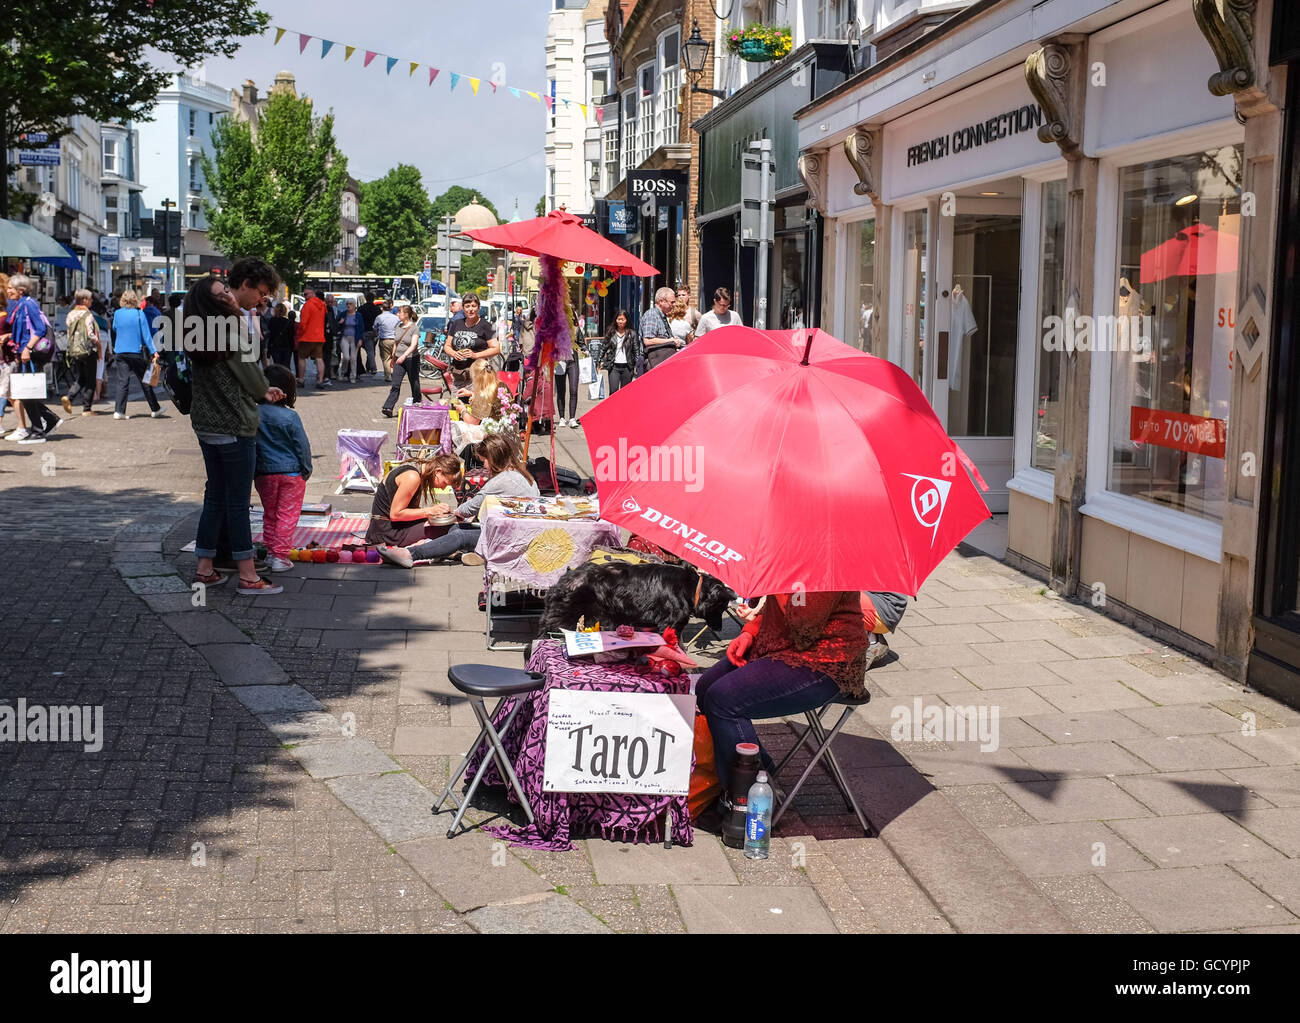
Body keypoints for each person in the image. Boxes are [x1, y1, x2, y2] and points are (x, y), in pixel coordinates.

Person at [697, 590, 868, 795]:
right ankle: (763, 775)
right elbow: (775, 612)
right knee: (705, 686)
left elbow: (804, 627)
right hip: (780, 647)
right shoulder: (793, 564)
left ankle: (746, 800)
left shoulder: (825, 566)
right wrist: (749, 633)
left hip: (826, 660)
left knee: (722, 699)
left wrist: (781, 589)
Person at [185, 275, 285, 596]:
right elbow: (254, 381)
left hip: (205, 425)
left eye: (226, 290)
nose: (228, 296)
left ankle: (204, 568)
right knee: (239, 503)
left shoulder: (196, 332)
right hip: (233, 425)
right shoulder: (230, 332)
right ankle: (248, 576)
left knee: (214, 495)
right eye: (221, 295)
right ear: (212, 305)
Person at [377, 433, 538, 568]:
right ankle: (455, 552)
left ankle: (410, 554)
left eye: (484, 461)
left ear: (493, 458)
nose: (485, 466)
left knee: (460, 535)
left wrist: (450, 513)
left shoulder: (502, 480)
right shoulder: (523, 474)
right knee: (456, 530)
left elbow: (468, 508)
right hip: (522, 531)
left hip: (515, 538)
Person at [253, 365, 314, 574]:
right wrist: (306, 469)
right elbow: (302, 446)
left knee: (270, 514)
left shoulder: (254, 413)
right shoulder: (290, 417)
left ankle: (270, 553)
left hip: (263, 473)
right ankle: (280, 556)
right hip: (291, 473)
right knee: (287, 515)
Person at [365, 451, 464, 549]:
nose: (443, 488)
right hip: (385, 532)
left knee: (449, 522)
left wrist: (436, 514)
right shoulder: (412, 477)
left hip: (391, 527)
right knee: (447, 528)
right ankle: (418, 548)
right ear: (438, 472)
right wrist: (430, 511)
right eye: (445, 483)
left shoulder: (418, 470)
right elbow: (395, 514)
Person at [6, 274, 59, 442]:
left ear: (20, 290)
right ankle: (48, 420)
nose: (7, 291)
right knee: (24, 391)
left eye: (10, 288)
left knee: (27, 391)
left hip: (29, 353)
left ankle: (38, 429)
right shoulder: (21, 304)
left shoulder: (29, 304)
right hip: (22, 352)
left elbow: (40, 329)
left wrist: (27, 349)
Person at [110, 289, 163, 420]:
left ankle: (119, 411)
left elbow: (115, 328)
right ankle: (155, 408)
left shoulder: (117, 313)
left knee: (123, 381)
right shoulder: (139, 314)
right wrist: (153, 351)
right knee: (145, 380)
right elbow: (146, 335)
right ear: (135, 300)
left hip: (120, 351)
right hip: (135, 351)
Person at [442, 295, 499, 388]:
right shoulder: (457, 323)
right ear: (463, 308)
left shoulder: (486, 325)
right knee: (456, 401)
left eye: (473, 306)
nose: (470, 309)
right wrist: (454, 353)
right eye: (467, 306)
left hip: (477, 375)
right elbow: (447, 346)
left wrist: (475, 355)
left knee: (474, 402)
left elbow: (496, 349)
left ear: (478, 307)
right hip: (458, 374)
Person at [62, 289, 101, 417]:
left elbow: (69, 331)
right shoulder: (88, 315)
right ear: (84, 300)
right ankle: (87, 408)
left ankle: (69, 396)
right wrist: (98, 344)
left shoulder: (70, 314)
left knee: (80, 377)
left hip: (75, 350)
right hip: (88, 351)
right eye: (90, 299)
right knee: (90, 380)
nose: (91, 301)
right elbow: (91, 334)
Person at [380, 303, 423, 416]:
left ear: (407, 314)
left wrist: (404, 355)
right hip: (399, 359)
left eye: (400, 312)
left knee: (414, 383)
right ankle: (388, 407)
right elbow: (396, 343)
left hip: (411, 359)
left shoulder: (414, 328)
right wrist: (393, 356)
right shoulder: (398, 326)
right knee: (395, 384)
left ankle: (417, 403)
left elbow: (413, 345)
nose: (397, 314)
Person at [295, 287, 329, 389]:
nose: (305, 297)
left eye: (306, 294)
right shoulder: (322, 305)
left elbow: (303, 323)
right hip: (319, 337)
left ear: (312, 293)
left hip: (307, 336)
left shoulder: (307, 305)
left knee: (301, 358)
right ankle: (320, 380)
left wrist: (299, 334)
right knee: (319, 358)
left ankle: (301, 379)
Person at [600, 309, 641, 393]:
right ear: (616, 320)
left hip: (627, 367)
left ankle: (624, 407)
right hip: (613, 366)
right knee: (613, 390)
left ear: (626, 320)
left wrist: (637, 365)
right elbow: (603, 347)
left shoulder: (632, 334)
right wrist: (598, 361)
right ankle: (612, 407)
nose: (620, 321)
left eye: (622, 319)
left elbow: (636, 350)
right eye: (619, 319)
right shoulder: (611, 332)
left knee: (625, 392)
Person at [639, 286, 676, 371]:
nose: (674, 305)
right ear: (661, 301)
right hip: (652, 363)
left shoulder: (661, 316)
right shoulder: (652, 315)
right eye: (672, 302)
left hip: (658, 362)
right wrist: (670, 340)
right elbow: (648, 340)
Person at [335, 299, 363, 382]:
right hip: (345, 337)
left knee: (353, 358)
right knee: (346, 357)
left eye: (350, 304)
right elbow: (336, 325)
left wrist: (360, 339)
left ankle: (353, 376)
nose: (348, 305)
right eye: (347, 304)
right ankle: (343, 373)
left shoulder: (358, 316)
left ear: (354, 305)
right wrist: (340, 323)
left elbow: (361, 328)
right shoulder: (343, 314)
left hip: (355, 338)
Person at [373, 299, 399, 382]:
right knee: (394, 357)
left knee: (385, 358)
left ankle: (388, 376)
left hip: (384, 339)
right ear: (390, 308)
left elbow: (375, 328)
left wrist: (376, 334)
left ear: (382, 308)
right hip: (394, 340)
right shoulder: (396, 318)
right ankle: (393, 372)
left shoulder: (379, 317)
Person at [265, 303, 295, 368]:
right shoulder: (288, 322)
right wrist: (292, 347)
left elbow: (271, 335)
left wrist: (269, 349)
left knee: (277, 365)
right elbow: (291, 336)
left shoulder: (272, 321)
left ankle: (278, 377)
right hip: (287, 346)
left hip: (275, 346)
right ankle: (286, 377)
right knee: (286, 365)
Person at [359, 291, 381, 375]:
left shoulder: (361, 308)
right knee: (371, 350)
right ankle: (370, 367)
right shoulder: (377, 309)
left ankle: (370, 367)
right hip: (374, 332)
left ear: (365, 299)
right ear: (373, 299)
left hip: (364, 331)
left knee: (367, 351)